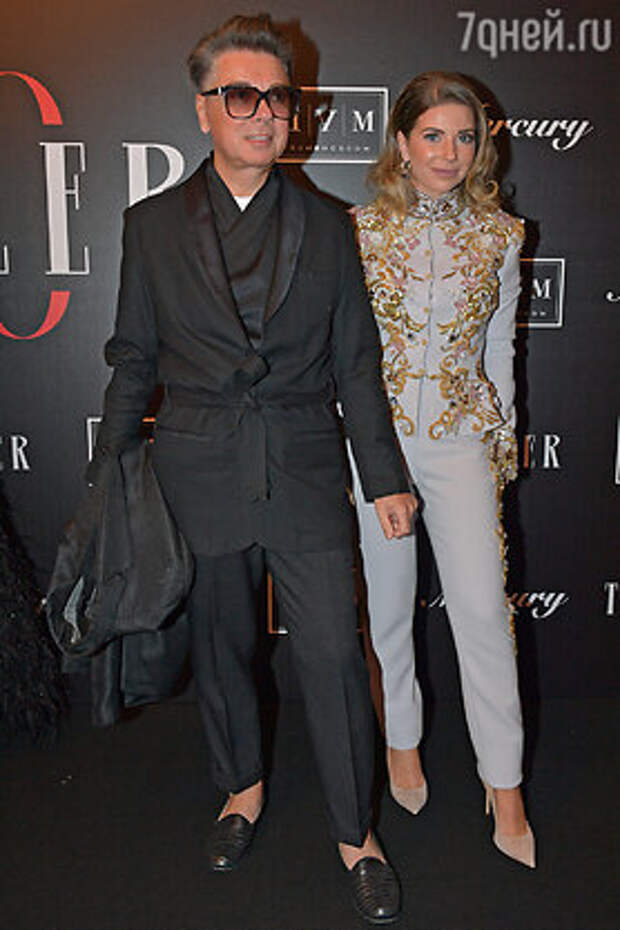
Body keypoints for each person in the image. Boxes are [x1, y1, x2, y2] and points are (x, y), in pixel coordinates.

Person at [87, 13, 416, 923]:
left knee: (333, 655)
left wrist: (384, 477)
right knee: (223, 646)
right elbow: (133, 357)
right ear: (204, 109)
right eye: (242, 95)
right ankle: (241, 788)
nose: (264, 112)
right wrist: (109, 467)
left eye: (278, 96)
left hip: (305, 466)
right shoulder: (150, 226)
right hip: (198, 470)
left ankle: (357, 833)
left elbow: (356, 364)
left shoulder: (331, 226)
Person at [351, 71, 536, 868]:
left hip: (461, 441)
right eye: (433, 135)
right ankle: (402, 741)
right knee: (389, 605)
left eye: (464, 137)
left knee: (484, 613)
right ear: (402, 142)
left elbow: (501, 348)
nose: (449, 152)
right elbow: (347, 353)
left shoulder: (501, 235)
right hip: (379, 445)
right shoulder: (359, 233)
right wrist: (360, 449)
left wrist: (501, 439)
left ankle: (505, 784)